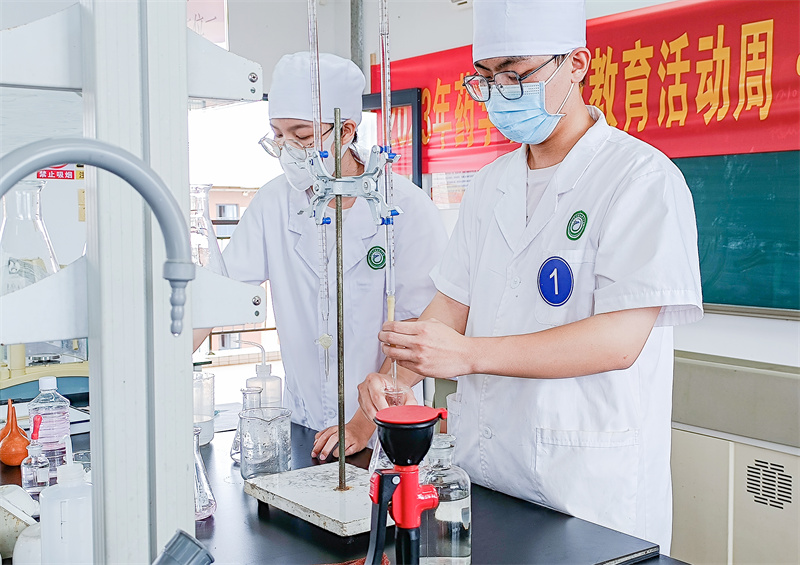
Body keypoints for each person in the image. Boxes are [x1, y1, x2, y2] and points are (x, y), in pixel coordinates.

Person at [357, 0, 702, 553]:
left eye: (516, 74)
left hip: (587, 492)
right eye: (487, 78)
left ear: (578, 64)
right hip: (488, 479)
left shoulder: (640, 179)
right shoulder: (489, 184)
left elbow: (619, 342)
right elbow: (448, 311)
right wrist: (393, 375)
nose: (500, 92)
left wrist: (468, 355)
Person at [194, 52, 447, 460]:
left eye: (303, 136)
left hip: (386, 431)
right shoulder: (273, 203)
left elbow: (422, 331)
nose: (288, 149)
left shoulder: (406, 208)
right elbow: (219, 295)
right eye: (278, 136)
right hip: (305, 424)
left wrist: (363, 423)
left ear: (346, 130)